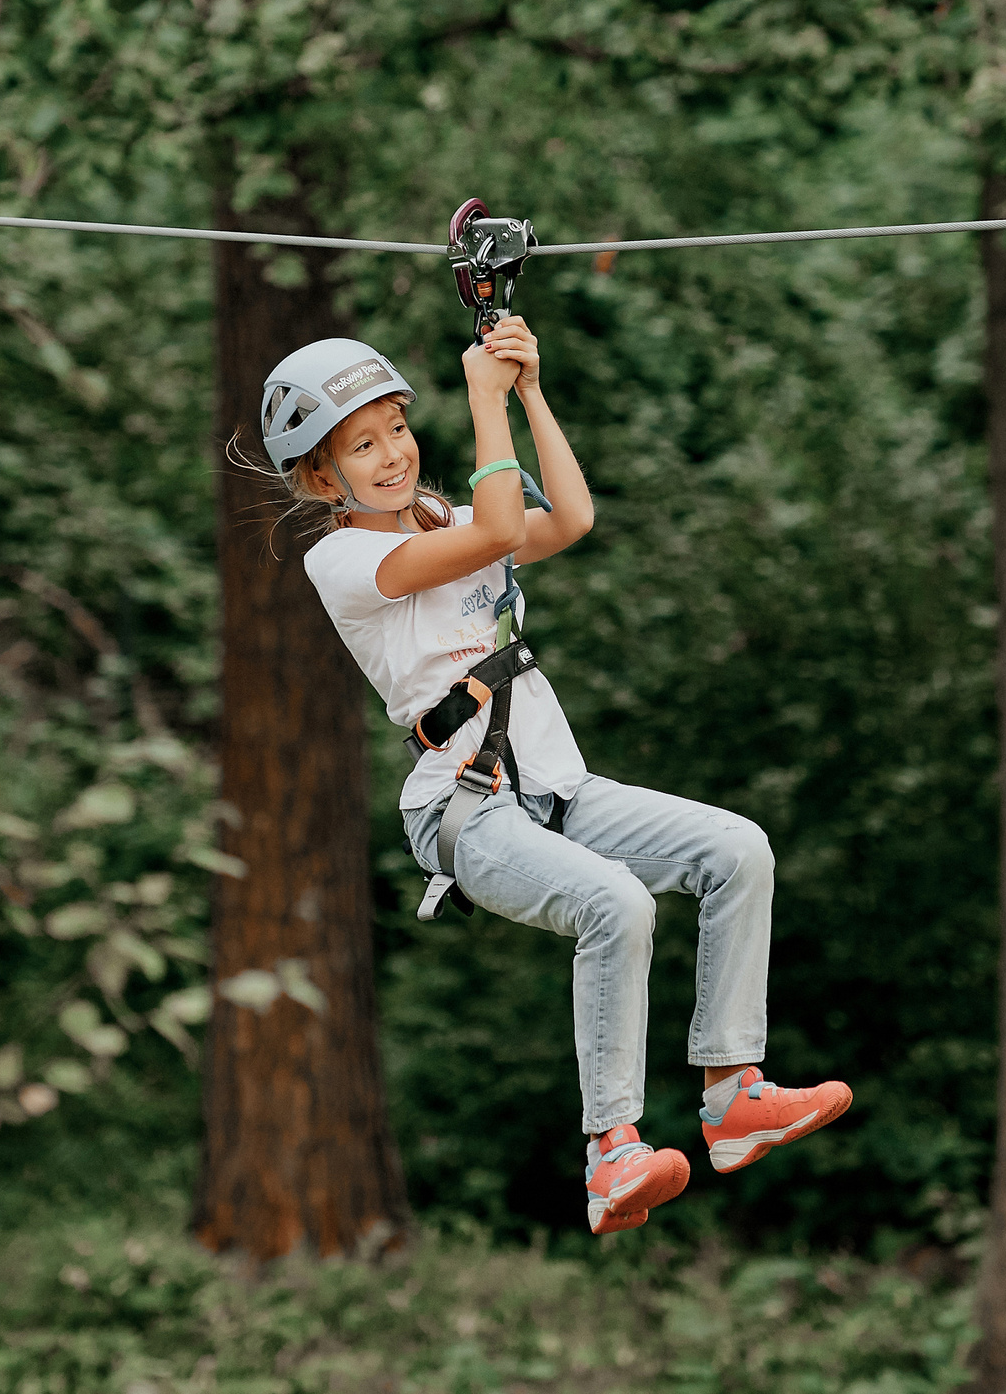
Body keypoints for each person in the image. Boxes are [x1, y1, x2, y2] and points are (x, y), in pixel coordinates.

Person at [256, 317, 851, 1235]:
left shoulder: (444, 520)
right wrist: (483, 399)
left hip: (559, 788)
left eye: (398, 430)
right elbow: (501, 522)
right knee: (616, 905)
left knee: (738, 849)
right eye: (362, 446)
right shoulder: (344, 560)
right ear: (321, 479)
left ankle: (733, 1096)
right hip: (470, 807)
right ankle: (611, 1153)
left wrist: (527, 390)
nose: (392, 455)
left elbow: (569, 518)